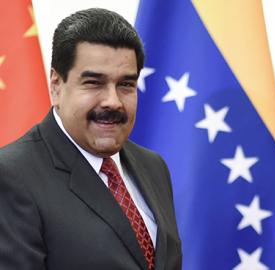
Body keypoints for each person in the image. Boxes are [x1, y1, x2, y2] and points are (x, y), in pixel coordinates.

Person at [0, 8, 181, 270]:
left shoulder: (153, 167)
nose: (113, 101)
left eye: (126, 84)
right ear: (56, 85)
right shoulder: (11, 176)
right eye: (94, 83)